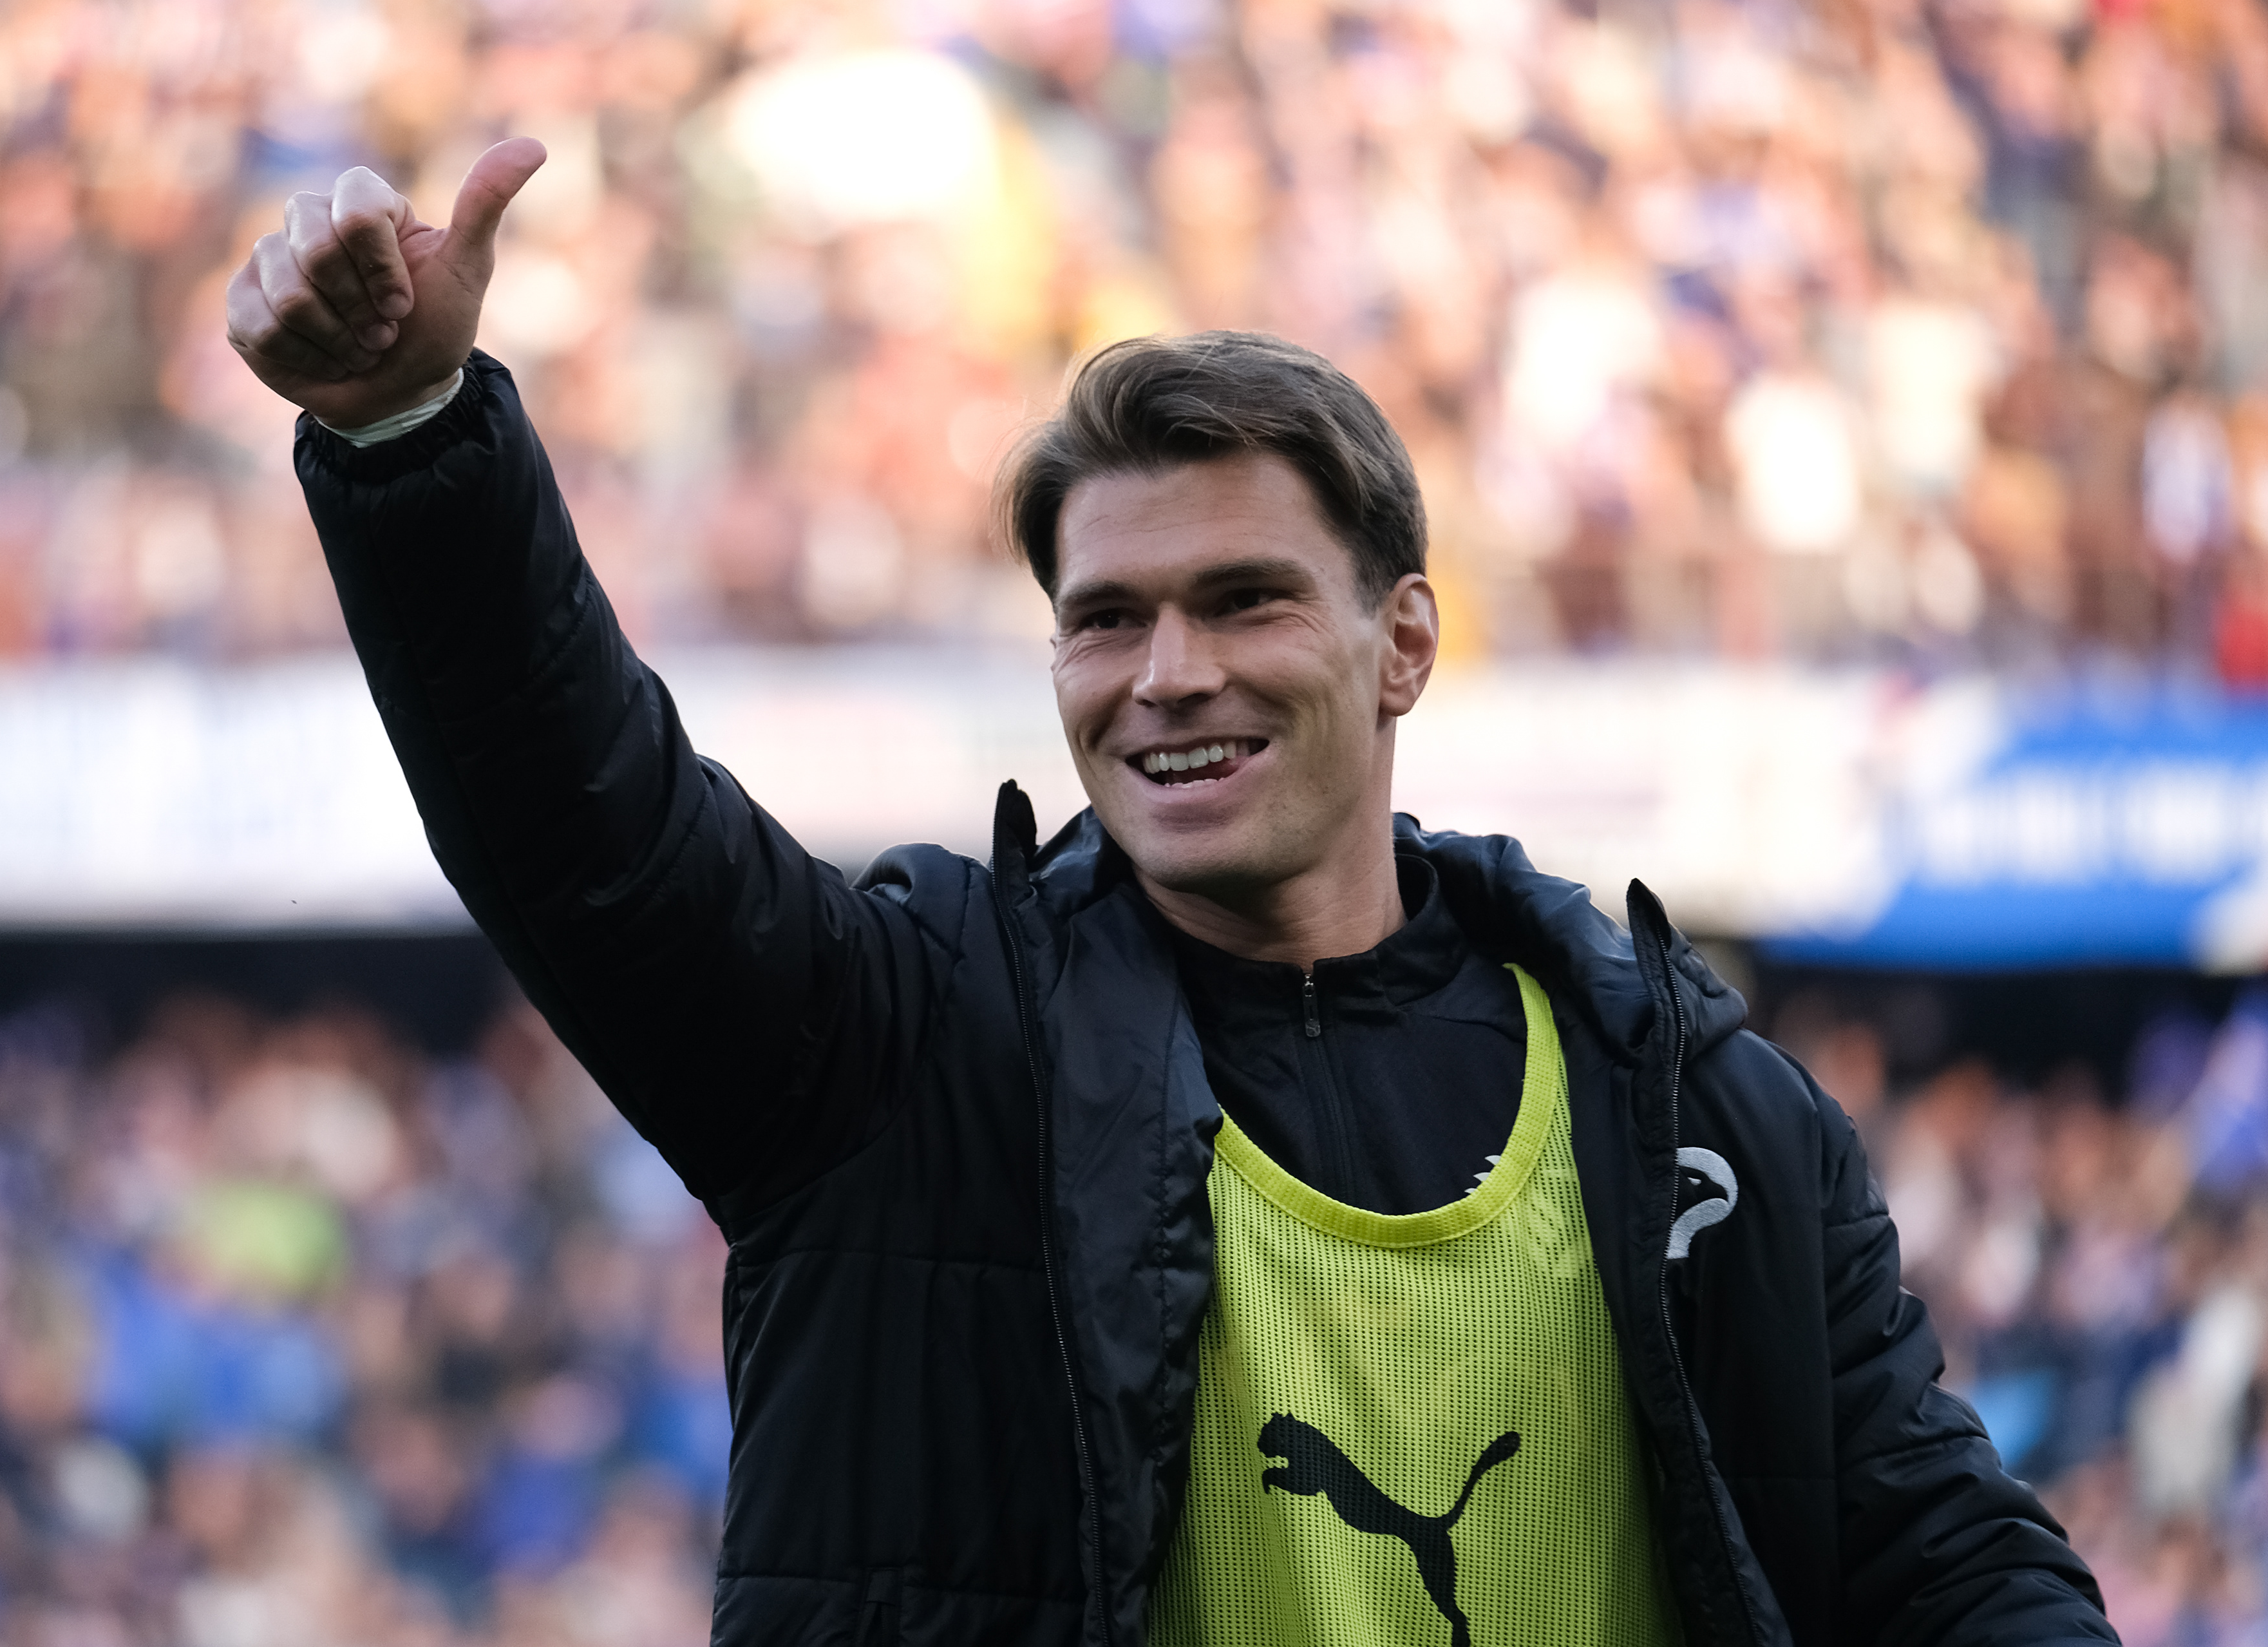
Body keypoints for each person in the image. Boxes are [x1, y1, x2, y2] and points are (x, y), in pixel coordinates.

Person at [227, 140, 2115, 1646]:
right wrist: (415, 435)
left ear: (1403, 644)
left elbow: (1939, 1559)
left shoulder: (1703, 1110)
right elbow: (596, 843)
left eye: (1242, 600)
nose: (1166, 674)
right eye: (1106, 618)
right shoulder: (911, 1048)